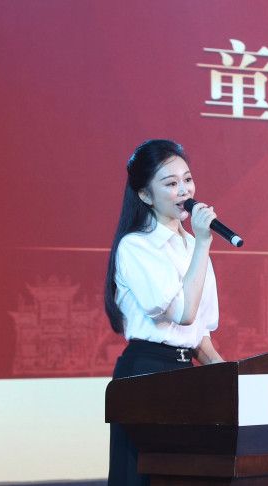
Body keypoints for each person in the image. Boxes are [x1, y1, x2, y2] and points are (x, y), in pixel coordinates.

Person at [104, 139, 224, 485]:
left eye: (188, 180)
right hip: (147, 374)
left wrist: (229, 377)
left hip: (187, 374)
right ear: (145, 195)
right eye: (171, 183)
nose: (184, 190)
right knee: (144, 477)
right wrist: (203, 242)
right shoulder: (136, 246)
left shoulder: (193, 246)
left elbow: (198, 334)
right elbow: (183, 314)